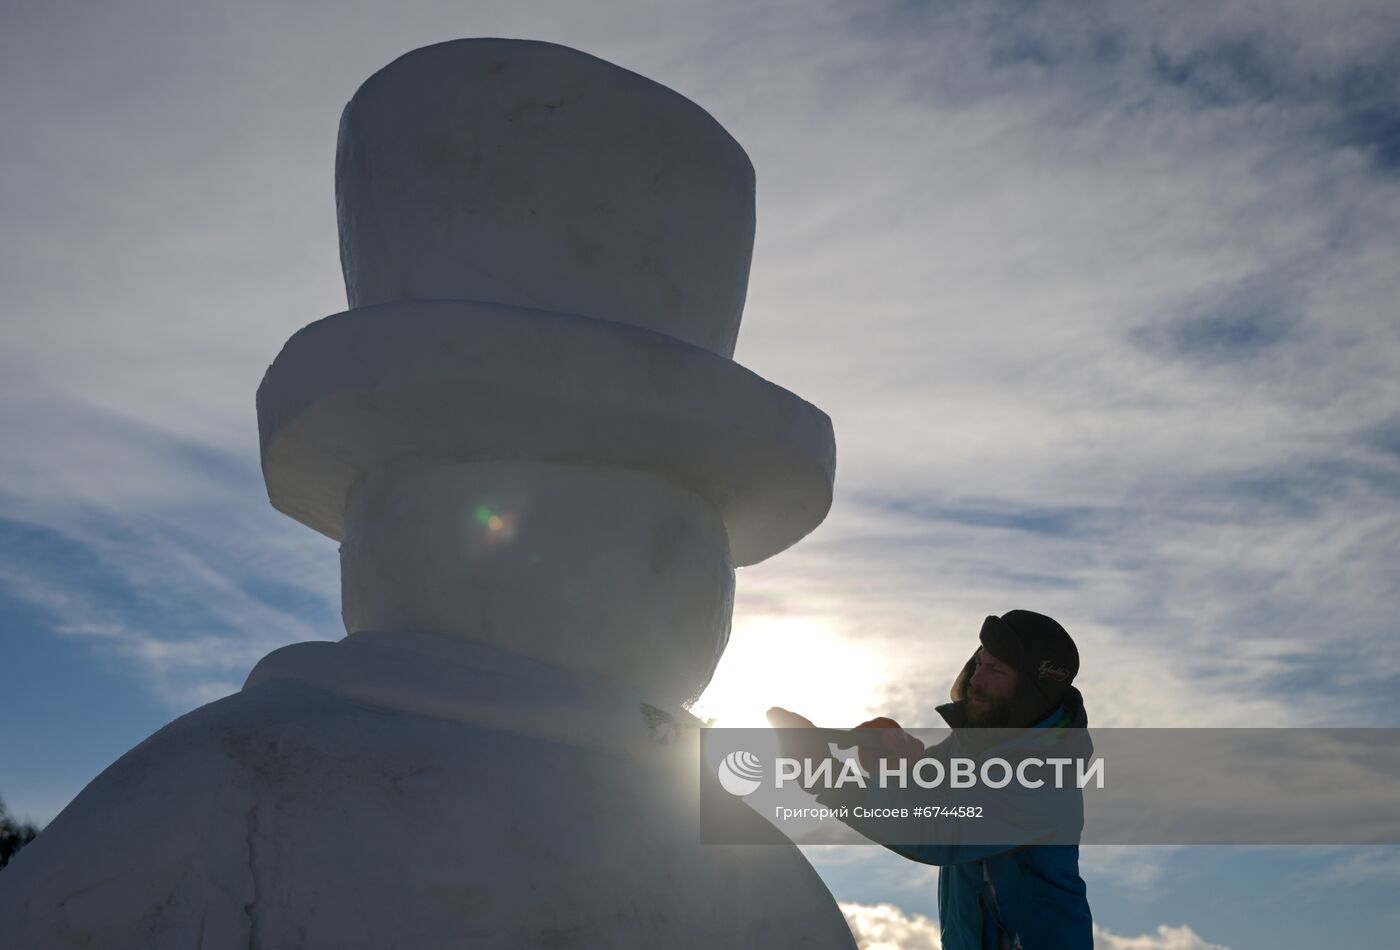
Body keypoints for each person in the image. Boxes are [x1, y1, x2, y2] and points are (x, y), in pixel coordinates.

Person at [768, 609, 1093, 950]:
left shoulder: (1049, 776)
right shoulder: (978, 744)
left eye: (996, 670)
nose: (977, 679)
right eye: (979, 663)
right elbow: (926, 788)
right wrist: (899, 761)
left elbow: (940, 830)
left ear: (1033, 688)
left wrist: (830, 779)